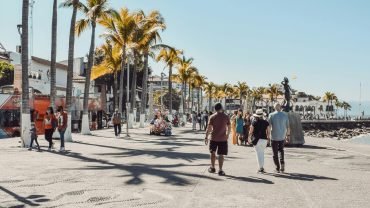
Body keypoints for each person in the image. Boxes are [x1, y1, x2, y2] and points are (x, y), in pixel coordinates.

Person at [205, 103, 231, 176]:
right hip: (223, 139)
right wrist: (227, 135)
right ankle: (220, 170)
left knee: (212, 153)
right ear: (221, 108)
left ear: (215, 109)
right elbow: (229, 127)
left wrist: (206, 137)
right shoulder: (226, 116)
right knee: (221, 154)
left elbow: (209, 128)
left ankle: (213, 167)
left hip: (213, 138)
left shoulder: (212, 117)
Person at [268, 103, 290, 173]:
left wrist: (268, 136)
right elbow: (288, 127)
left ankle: (277, 168)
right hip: (282, 136)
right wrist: (288, 135)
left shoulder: (271, 115)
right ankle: (282, 163)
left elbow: (269, 127)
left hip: (274, 136)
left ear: (274, 108)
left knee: (275, 153)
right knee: (281, 150)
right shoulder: (285, 115)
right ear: (280, 107)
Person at [248, 109, 270, 173]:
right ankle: (262, 167)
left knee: (258, 154)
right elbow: (268, 132)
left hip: (257, 140)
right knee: (262, 153)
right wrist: (268, 139)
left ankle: (260, 168)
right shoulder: (266, 122)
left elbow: (250, 131)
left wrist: (249, 138)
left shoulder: (254, 122)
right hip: (264, 139)